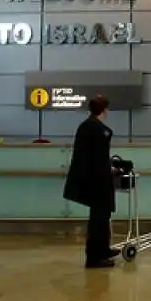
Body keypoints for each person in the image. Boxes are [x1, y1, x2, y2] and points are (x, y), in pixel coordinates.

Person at [63, 96, 117, 269]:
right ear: (103, 110)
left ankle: (102, 250)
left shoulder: (86, 126)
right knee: (99, 218)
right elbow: (98, 158)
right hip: (98, 181)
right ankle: (95, 257)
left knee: (101, 216)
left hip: (93, 179)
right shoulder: (97, 129)